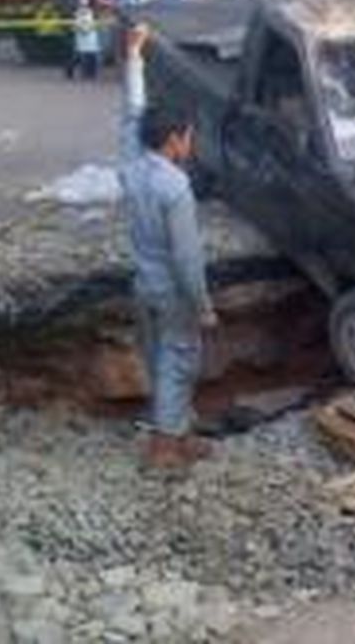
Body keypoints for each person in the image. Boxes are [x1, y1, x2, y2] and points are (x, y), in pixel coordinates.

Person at [118, 25, 217, 470]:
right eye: (189, 136)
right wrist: (202, 305)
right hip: (174, 291)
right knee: (179, 360)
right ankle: (164, 447)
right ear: (175, 139)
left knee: (159, 358)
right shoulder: (175, 187)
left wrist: (134, 57)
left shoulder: (131, 161)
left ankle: (179, 433)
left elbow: (131, 112)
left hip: (143, 283)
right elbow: (187, 257)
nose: (190, 144)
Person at [67, 0, 102, 81]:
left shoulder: (93, 11)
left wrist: (91, 28)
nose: (83, 1)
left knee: (94, 55)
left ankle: (93, 74)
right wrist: (80, 28)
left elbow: (96, 22)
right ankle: (70, 72)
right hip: (81, 35)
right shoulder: (76, 11)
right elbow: (74, 23)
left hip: (91, 35)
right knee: (79, 55)